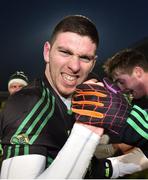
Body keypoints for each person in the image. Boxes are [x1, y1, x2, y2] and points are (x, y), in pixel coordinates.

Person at [0, 15, 105, 179]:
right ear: (47, 52)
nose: (74, 66)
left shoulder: (84, 95)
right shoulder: (27, 105)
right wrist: (87, 129)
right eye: (65, 52)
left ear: (93, 62)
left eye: (84, 57)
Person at [101, 48, 148, 178]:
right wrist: (113, 167)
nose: (121, 88)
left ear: (138, 72)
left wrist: (113, 114)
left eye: (121, 81)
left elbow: (141, 131)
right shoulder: (139, 99)